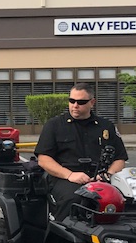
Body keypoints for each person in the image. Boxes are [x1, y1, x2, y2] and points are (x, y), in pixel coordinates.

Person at [35, 82, 128, 221]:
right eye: (71, 101)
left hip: (100, 179)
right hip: (65, 178)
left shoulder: (106, 127)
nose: (75, 105)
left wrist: (108, 174)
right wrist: (70, 175)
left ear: (92, 102)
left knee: (128, 199)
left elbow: (119, 158)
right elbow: (44, 159)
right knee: (74, 200)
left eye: (81, 102)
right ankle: (62, 239)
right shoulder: (54, 125)